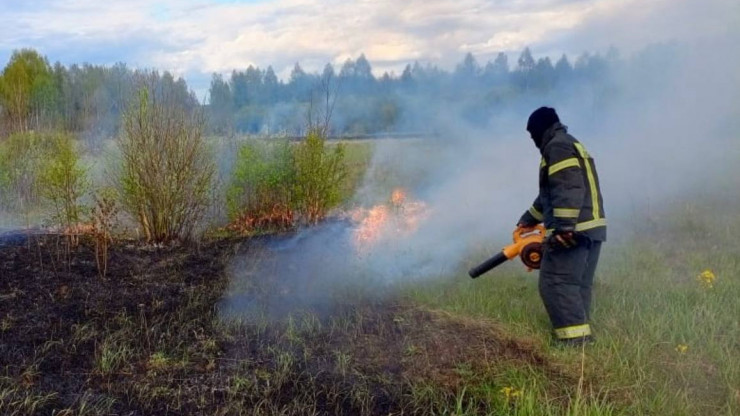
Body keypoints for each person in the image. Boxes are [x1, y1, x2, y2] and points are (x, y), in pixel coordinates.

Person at [517, 107, 606, 345]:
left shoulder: (556, 147)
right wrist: (529, 218)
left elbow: (567, 188)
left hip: (575, 229)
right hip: (592, 228)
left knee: (556, 282)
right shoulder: (570, 143)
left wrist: (565, 228)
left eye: (532, 134)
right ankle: (582, 338)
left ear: (540, 129)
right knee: (577, 285)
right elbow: (551, 193)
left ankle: (573, 344)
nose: (532, 140)